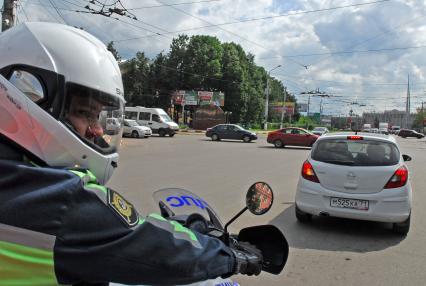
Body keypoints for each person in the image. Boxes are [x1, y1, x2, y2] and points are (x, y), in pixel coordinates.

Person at [0, 22, 262, 285]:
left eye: (98, 115)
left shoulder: (15, 179)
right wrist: (231, 256)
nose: (97, 129)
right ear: (30, 97)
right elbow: (151, 247)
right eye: (83, 112)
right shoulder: (56, 200)